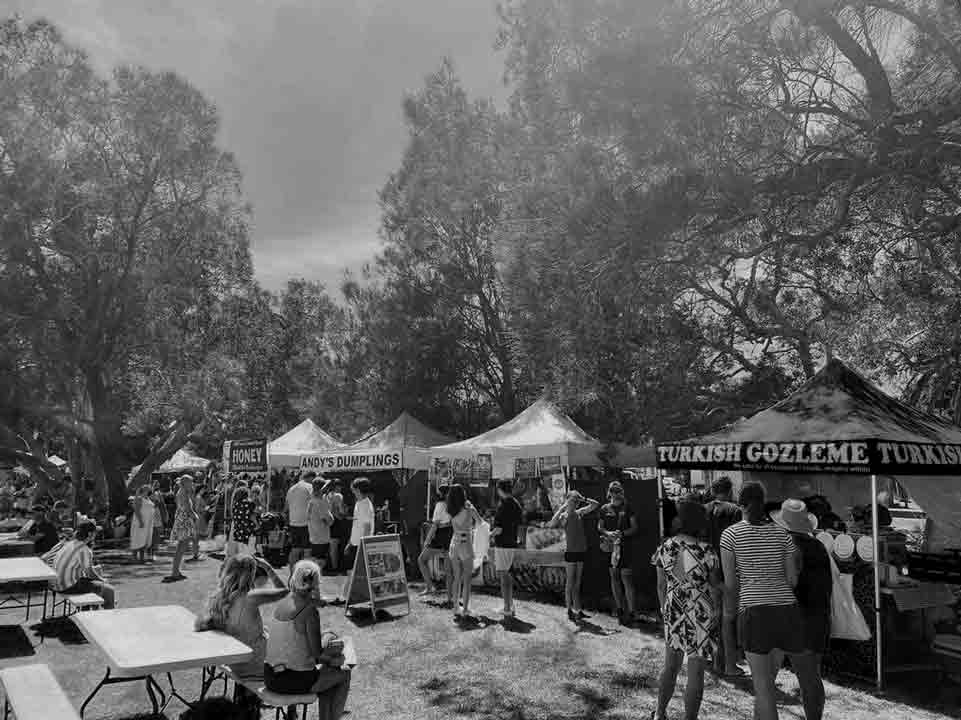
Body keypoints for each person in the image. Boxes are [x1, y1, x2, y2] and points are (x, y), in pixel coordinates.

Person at [720, 482, 803, 720]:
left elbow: (731, 584)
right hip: (786, 611)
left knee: (764, 689)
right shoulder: (782, 534)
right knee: (766, 685)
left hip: (755, 612)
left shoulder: (731, 535)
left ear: (740, 503)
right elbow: (793, 580)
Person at [651, 500, 721, 720]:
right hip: (701, 610)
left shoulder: (666, 546)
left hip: (674, 607)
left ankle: (659, 714)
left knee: (670, 665)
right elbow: (715, 585)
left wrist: (664, 608)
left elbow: (661, 585)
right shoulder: (707, 551)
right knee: (696, 672)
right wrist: (718, 609)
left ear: (681, 520)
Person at [265, 560, 351, 720]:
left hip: (270, 675)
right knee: (344, 672)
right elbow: (317, 654)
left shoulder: (284, 601)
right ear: (316, 583)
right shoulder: (310, 612)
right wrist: (335, 660)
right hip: (291, 680)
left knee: (330, 637)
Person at [771, 499, 831, 720]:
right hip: (817, 617)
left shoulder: (787, 547)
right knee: (811, 678)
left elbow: (787, 585)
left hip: (795, 618)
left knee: (769, 680)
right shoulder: (818, 546)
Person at [195, 554, 289, 680]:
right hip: (256, 665)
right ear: (251, 574)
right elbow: (284, 592)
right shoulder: (251, 597)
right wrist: (268, 568)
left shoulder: (218, 597)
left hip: (234, 662)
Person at [703, 476, 743, 676]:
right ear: (729, 491)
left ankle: (712, 658)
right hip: (727, 569)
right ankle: (728, 664)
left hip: (707, 569)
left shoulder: (704, 509)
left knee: (712, 614)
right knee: (727, 618)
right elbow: (738, 542)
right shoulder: (735, 511)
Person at [550, 490, 600, 621]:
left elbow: (595, 504)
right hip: (571, 552)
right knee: (570, 582)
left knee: (577, 583)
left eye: (575, 501)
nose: (574, 503)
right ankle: (569, 610)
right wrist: (563, 506)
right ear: (568, 501)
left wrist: (583, 497)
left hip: (580, 551)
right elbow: (552, 523)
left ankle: (578, 609)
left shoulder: (579, 513)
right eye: (572, 501)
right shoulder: (564, 516)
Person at [598, 480, 640, 625]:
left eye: (618, 491)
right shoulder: (604, 508)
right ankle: (620, 609)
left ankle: (632, 612)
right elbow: (600, 527)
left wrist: (622, 533)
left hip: (626, 548)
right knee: (614, 578)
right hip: (610, 549)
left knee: (627, 579)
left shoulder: (628, 507)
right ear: (609, 493)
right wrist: (608, 533)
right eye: (613, 491)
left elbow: (635, 527)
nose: (615, 494)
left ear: (621, 492)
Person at [50, 521, 116, 608]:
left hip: (56, 584)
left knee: (96, 579)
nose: (96, 535)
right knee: (109, 590)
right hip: (68, 587)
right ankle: (108, 616)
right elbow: (90, 573)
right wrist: (103, 581)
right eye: (95, 532)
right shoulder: (84, 549)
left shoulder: (69, 544)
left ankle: (90, 611)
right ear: (90, 534)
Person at [445, 484, 483, 622]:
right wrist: (472, 508)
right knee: (467, 579)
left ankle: (456, 607)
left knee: (457, 577)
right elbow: (480, 521)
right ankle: (465, 609)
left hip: (454, 543)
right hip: (465, 544)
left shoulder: (450, 509)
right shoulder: (468, 508)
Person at [490, 480, 524, 619]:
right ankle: (509, 605)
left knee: (504, 576)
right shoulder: (516, 504)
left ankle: (507, 608)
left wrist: (488, 535)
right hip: (511, 543)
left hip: (503, 544)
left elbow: (498, 529)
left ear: (500, 489)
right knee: (508, 575)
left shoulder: (504, 505)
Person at [417, 485, 453, 603]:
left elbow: (435, 525)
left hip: (440, 535)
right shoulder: (455, 505)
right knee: (449, 569)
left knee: (421, 560)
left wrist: (427, 540)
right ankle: (449, 597)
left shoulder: (440, 505)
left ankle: (429, 586)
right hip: (451, 534)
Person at [166, 475, 199, 583]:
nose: (192, 484)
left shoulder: (181, 492)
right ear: (185, 483)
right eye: (191, 482)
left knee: (181, 546)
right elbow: (188, 509)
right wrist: (196, 517)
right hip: (184, 520)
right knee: (181, 546)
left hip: (182, 519)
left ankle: (176, 571)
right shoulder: (183, 493)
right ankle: (175, 572)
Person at [344, 477, 375, 575]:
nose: (353, 492)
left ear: (358, 490)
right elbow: (356, 525)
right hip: (355, 543)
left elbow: (367, 527)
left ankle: (352, 590)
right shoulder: (358, 503)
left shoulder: (365, 505)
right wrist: (350, 542)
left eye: (353, 490)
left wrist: (363, 546)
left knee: (357, 573)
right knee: (351, 571)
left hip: (361, 545)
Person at [286, 472, 314, 572]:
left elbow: (287, 506)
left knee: (295, 550)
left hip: (293, 523)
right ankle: (304, 574)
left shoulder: (291, 489)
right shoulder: (310, 487)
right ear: (311, 478)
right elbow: (314, 503)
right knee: (307, 550)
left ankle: (292, 574)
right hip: (306, 523)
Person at [307, 477, 334, 571]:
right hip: (321, 536)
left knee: (315, 559)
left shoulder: (311, 501)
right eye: (326, 487)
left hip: (313, 535)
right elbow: (330, 520)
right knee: (320, 561)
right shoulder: (320, 502)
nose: (328, 489)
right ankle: (315, 580)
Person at [326, 480, 348, 573]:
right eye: (340, 486)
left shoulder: (327, 495)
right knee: (335, 546)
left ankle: (331, 565)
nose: (341, 488)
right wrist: (345, 511)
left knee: (331, 545)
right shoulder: (338, 496)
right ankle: (335, 567)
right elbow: (341, 511)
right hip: (336, 522)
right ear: (337, 486)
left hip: (328, 521)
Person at [129, 486, 155, 563]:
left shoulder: (148, 498)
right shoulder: (139, 498)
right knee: (137, 538)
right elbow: (136, 510)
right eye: (146, 488)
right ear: (143, 489)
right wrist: (140, 521)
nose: (148, 488)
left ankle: (142, 558)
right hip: (140, 521)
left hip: (148, 522)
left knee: (145, 539)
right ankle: (134, 558)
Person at [230, 487, 258, 557]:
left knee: (241, 553)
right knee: (250, 553)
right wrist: (257, 525)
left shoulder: (235, 504)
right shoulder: (250, 503)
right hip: (249, 531)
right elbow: (252, 516)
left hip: (239, 532)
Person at [148, 487, 167, 560]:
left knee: (155, 538)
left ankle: (152, 554)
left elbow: (160, 504)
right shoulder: (148, 500)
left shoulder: (157, 496)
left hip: (156, 520)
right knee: (151, 538)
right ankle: (150, 554)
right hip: (150, 521)